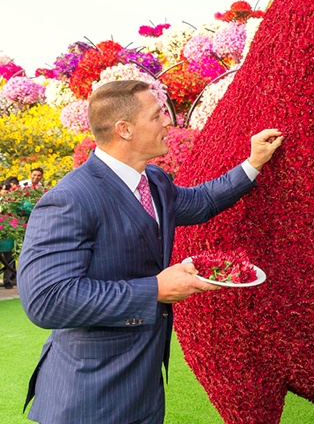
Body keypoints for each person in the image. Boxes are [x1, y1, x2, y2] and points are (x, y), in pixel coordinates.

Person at [18, 80, 284, 424]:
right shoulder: (70, 198)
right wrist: (156, 289)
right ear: (124, 129)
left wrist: (253, 163)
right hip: (86, 396)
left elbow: (201, 202)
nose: (167, 123)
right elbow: (47, 300)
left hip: (144, 392)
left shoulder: (154, 180)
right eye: (157, 115)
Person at [0, 176, 21, 289]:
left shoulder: (12, 202)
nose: (5, 192)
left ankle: (7, 280)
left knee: (9, 257)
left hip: (8, 233)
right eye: (4, 189)